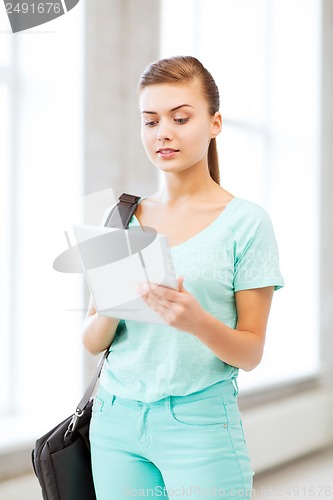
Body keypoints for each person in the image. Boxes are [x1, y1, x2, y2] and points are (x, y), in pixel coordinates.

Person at [83, 55, 284, 499]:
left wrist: (197, 322)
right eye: (150, 121)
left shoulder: (247, 223)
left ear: (214, 124)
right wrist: (116, 306)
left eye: (180, 118)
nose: (163, 133)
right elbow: (92, 339)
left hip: (201, 423)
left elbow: (250, 353)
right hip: (116, 423)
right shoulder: (119, 215)